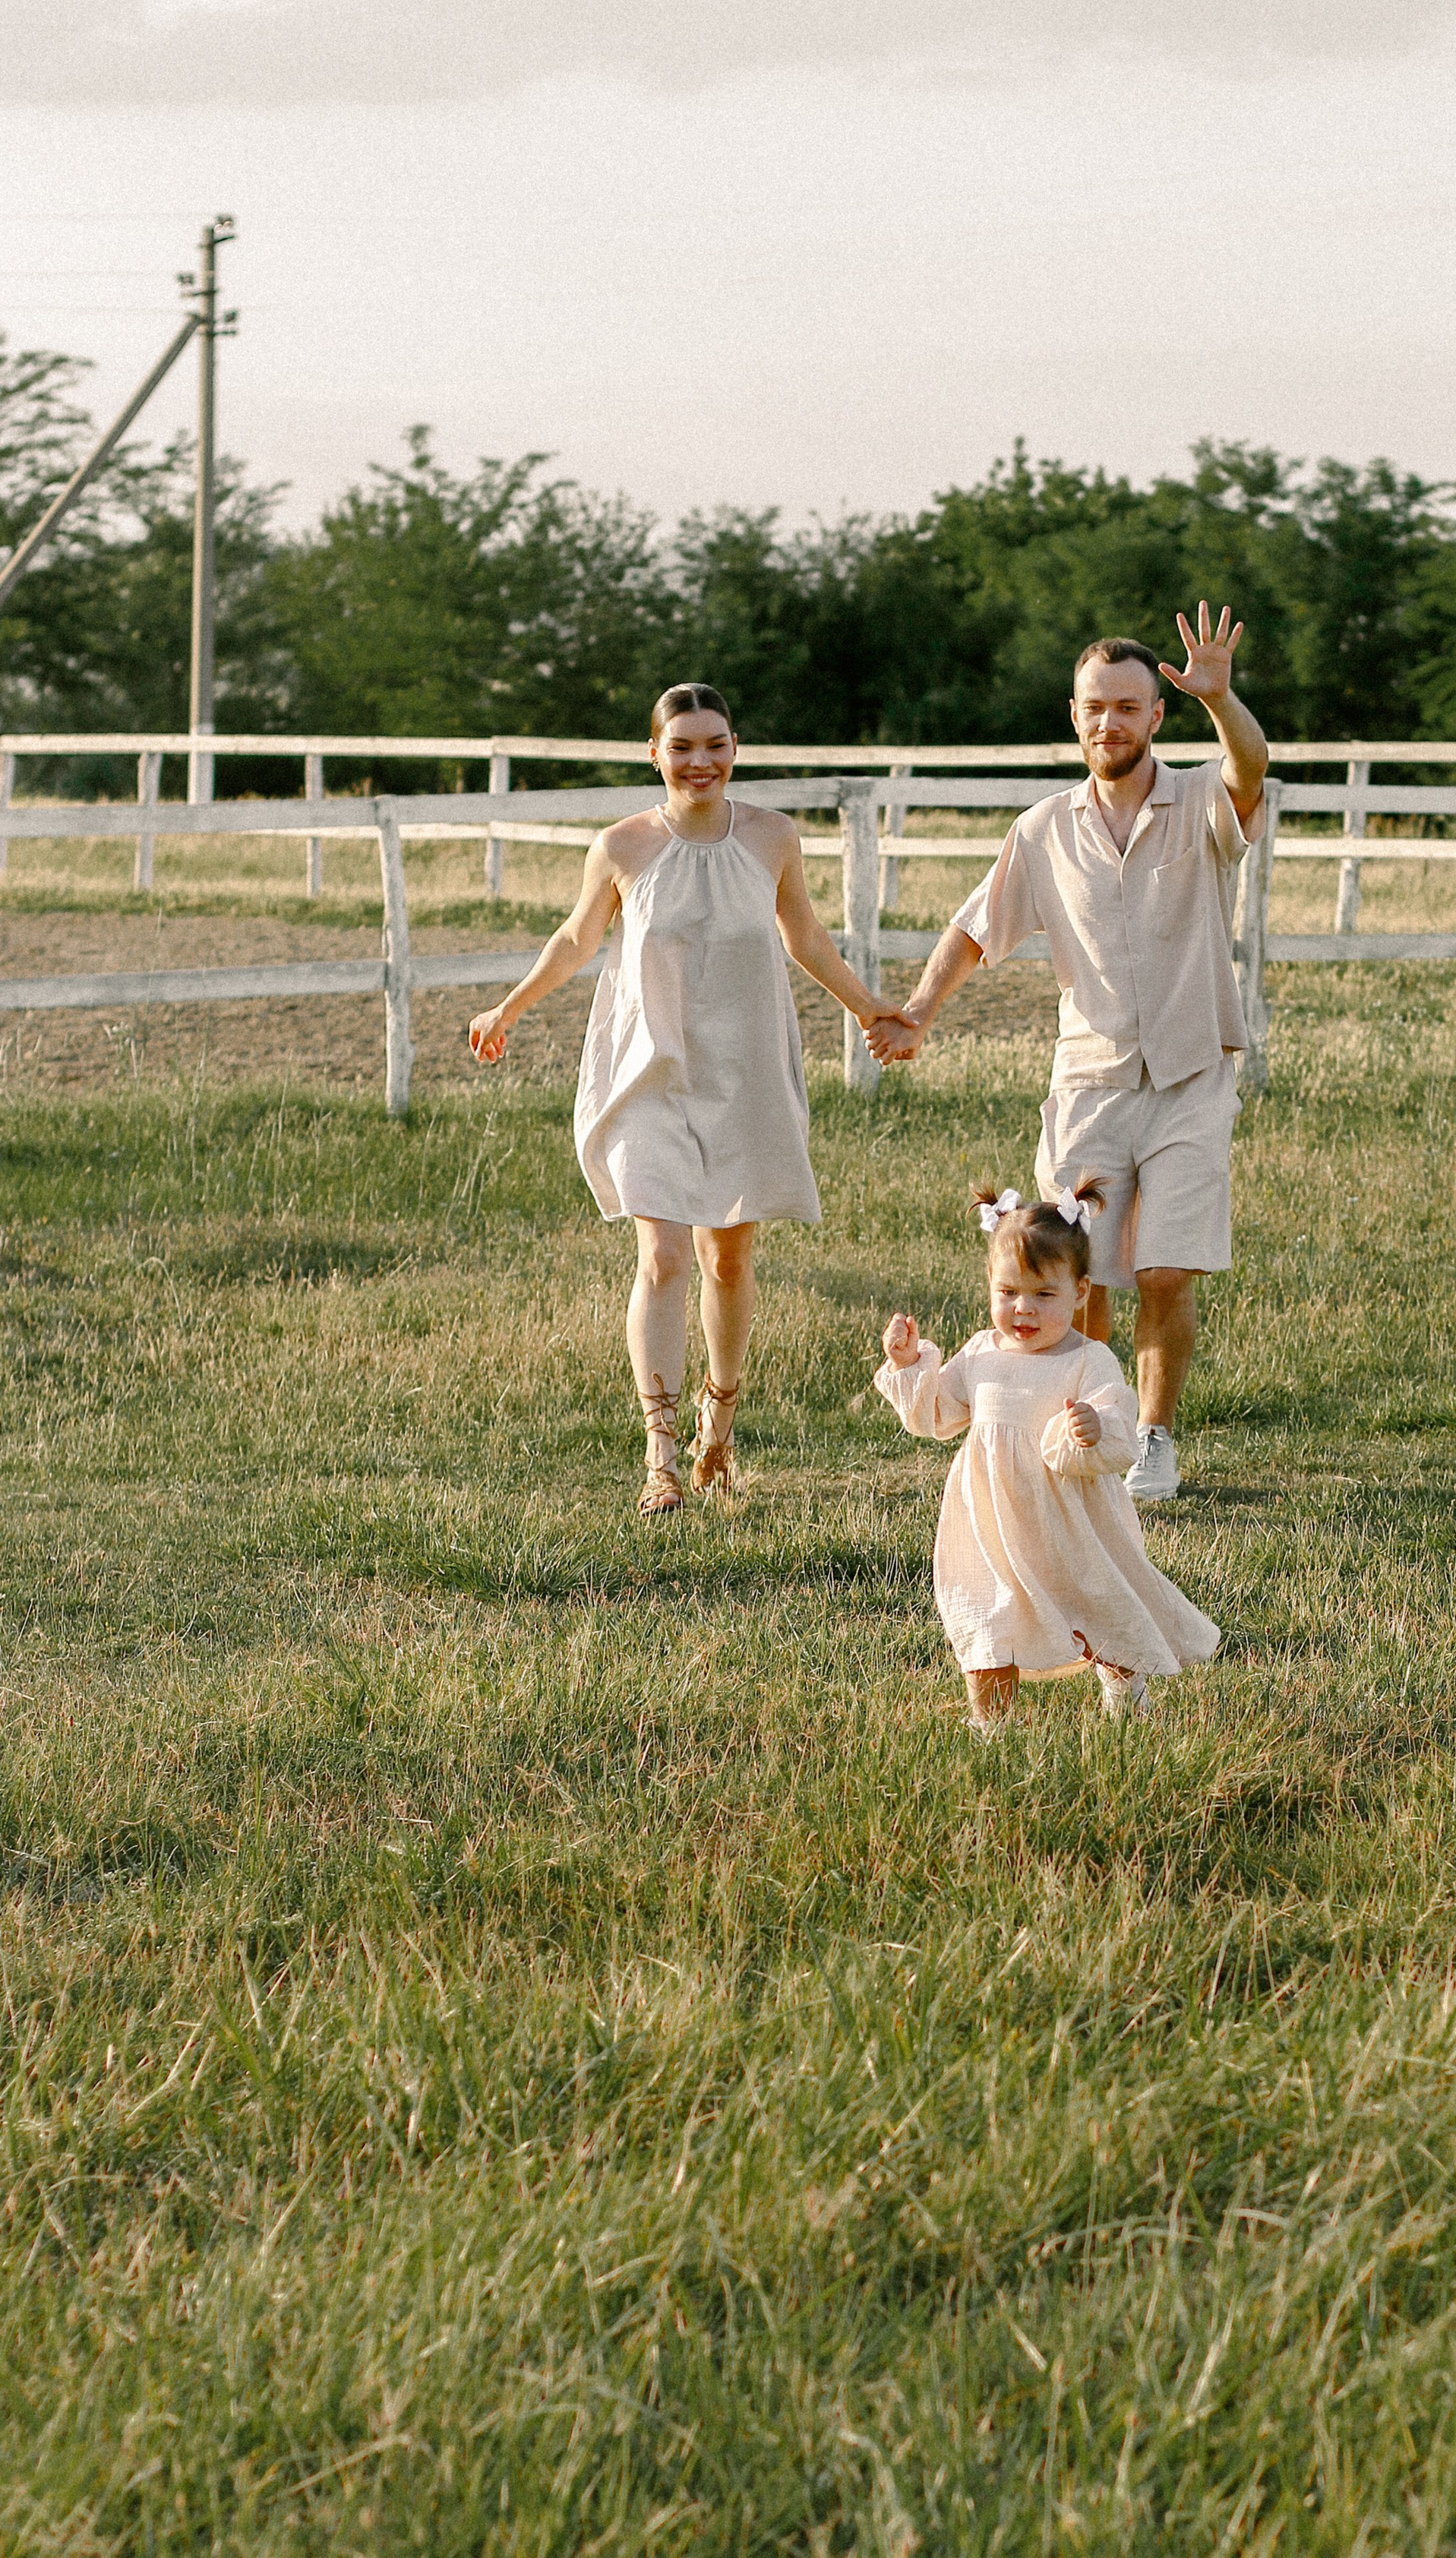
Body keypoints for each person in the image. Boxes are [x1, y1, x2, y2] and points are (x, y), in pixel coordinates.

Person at [468, 683, 912, 1517]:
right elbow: (575, 940)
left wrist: (869, 1007)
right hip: (649, 1070)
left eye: (715, 745)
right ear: (655, 755)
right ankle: (659, 1457)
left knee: (728, 1258)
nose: (700, 762)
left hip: (742, 1069)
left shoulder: (774, 838)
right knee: (665, 1255)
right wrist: (509, 1007)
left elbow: (805, 936)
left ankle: (721, 1423)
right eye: (683, 747)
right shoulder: (623, 847)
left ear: (735, 748)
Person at [868, 604, 1268, 1503]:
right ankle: (1067, 1434)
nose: (1109, 723)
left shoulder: (1200, 799)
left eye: (1127, 706)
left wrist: (1221, 699)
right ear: (1074, 714)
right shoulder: (1044, 828)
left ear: (1155, 716)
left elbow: (1250, 769)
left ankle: (1152, 1442)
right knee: (1072, 1281)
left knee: (1167, 1270)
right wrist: (921, 1012)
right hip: (1089, 1080)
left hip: (1193, 1073)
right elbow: (975, 928)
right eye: (1094, 707)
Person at [874, 1184, 1220, 1735]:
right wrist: (912, 1362)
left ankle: (1125, 1690)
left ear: (1081, 1292)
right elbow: (937, 1415)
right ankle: (993, 1724)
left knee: (1101, 1603)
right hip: (990, 1523)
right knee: (987, 1615)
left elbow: (1115, 1421)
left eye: (1044, 1295)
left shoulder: (1087, 1360)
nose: (1023, 1309)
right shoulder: (982, 1354)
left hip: (1071, 1522)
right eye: (1008, 1291)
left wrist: (1092, 1426)